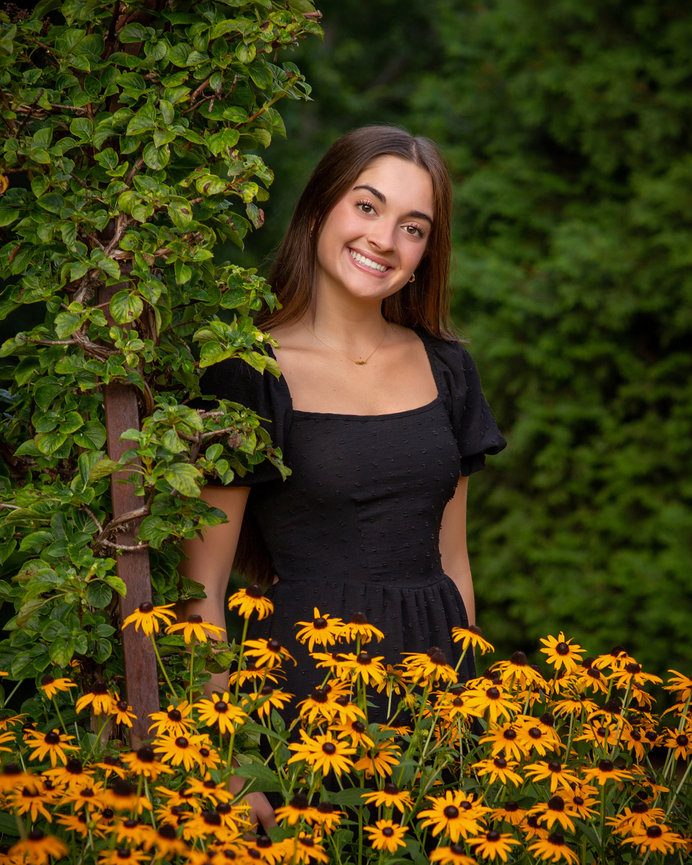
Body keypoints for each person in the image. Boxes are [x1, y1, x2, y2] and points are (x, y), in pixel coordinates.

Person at [180, 125, 506, 825]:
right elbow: (199, 587)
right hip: (303, 699)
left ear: (425, 254)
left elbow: (454, 560)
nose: (385, 239)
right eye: (367, 206)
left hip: (433, 703)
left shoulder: (448, 369)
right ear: (321, 209)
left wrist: (470, 719)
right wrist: (233, 759)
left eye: (412, 227)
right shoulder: (246, 370)